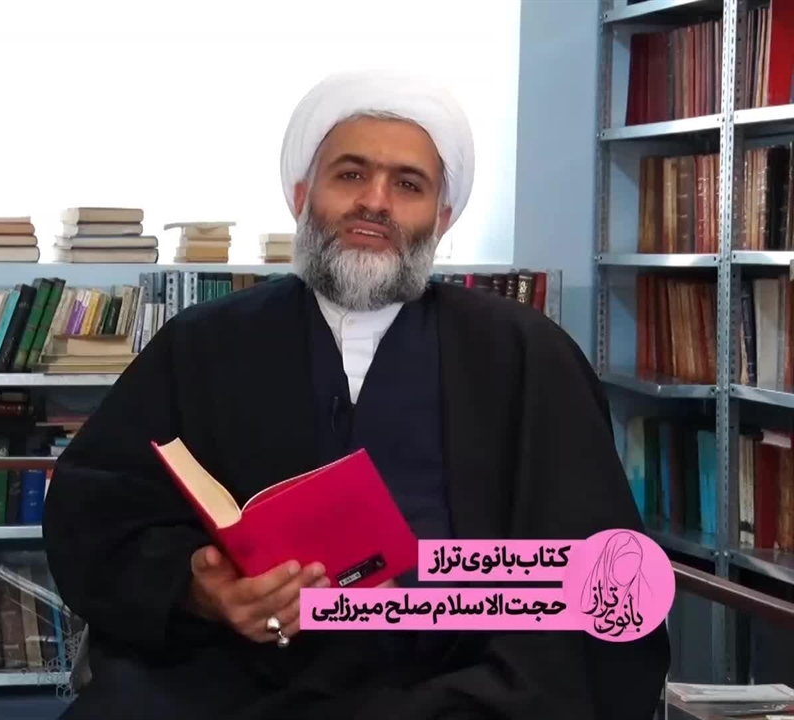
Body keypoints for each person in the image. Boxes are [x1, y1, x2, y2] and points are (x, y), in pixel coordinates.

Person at [42, 69, 670, 720]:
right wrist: (202, 589)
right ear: (301, 196)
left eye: (408, 185)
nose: (375, 202)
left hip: (456, 689)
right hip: (234, 678)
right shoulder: (202, 344)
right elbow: (97, 514)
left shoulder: (524, 354)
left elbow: (603, 568)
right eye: (350, 175)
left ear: (442, 218)